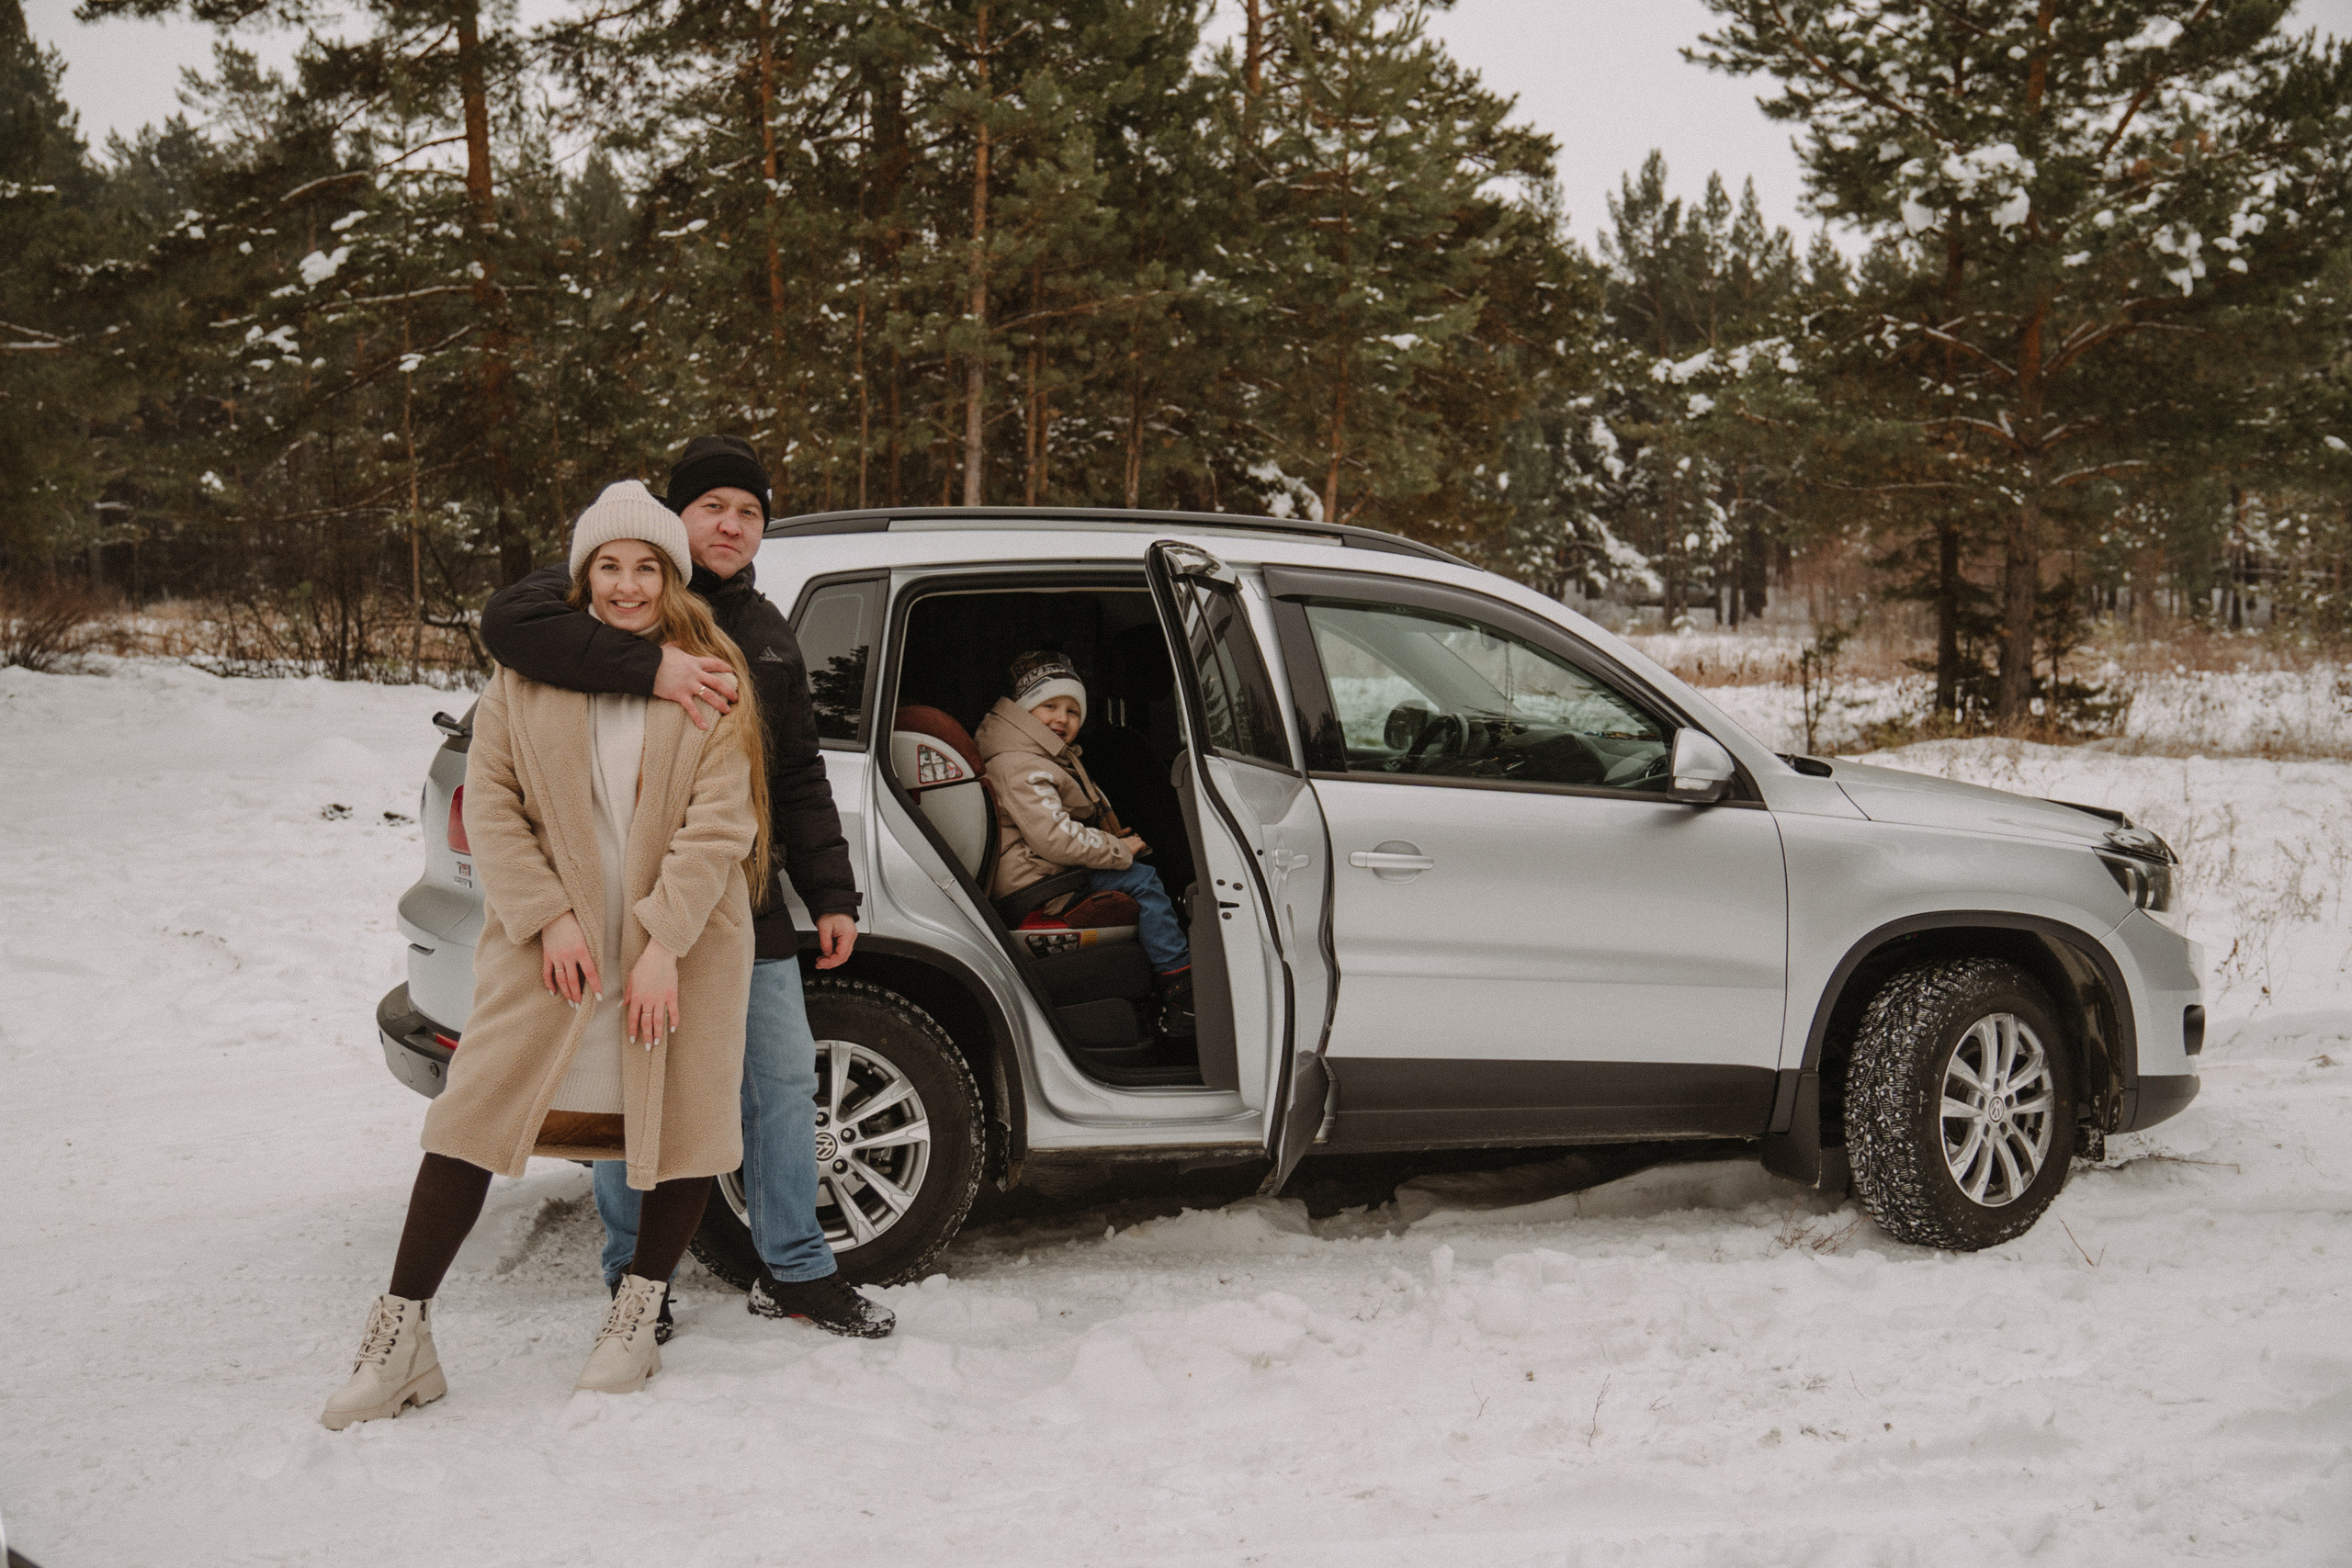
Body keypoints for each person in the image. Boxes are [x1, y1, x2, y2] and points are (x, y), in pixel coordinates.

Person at [323, 481, 763, 1427]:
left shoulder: (710, 669)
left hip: (677, 945)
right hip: (553, 947)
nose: (628, 585)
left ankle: (635, 1318)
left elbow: (722, 821)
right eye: (609, 565)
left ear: (672, 575)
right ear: (585, 574)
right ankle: (400, 1338)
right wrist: (547, 918)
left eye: (648, 566)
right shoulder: (526, 677)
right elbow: (494, 807)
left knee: (683, 1124)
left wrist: (663, 946)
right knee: (468, 1119)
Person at [478, 434, 892, 1340]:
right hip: (636, 904)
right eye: (714, 507)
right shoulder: (611, 600)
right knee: (631, 1092)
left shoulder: (769, 632)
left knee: (781, 1082)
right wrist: (654, 664)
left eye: (749, 512)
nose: (732, 525)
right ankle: (636, 1280)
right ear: (676, 518)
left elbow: (797, 776)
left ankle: (796, 1270)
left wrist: (831, 892)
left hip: (744, 901)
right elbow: (506, 622)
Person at [975, 649, 1194, 1035]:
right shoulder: (1021, 764)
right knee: (1144, 881)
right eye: (1049, 706)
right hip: (1037, 883)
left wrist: (1108, 840)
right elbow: (1055, 839)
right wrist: (1115, 851)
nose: (1062, 718)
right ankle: (1179, 982)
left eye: (1073, 711)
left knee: (1137, 869)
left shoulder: (1033, 757)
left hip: (1043, 871)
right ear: (1023, 712)